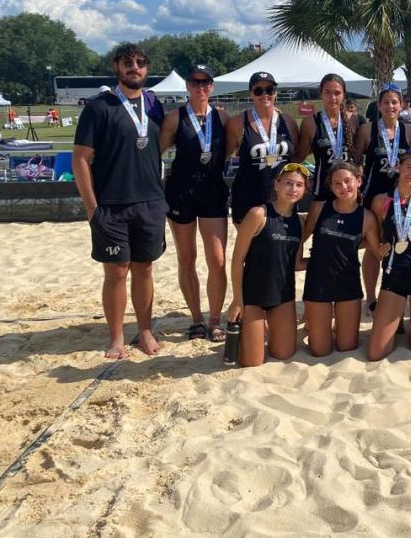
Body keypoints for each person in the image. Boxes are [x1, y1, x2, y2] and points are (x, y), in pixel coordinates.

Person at [72, 43, 167, 359]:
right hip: (111, 204)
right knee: (116, 272)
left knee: (144, 269)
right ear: (117, 66)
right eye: (128, 62)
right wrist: (91, 207)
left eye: (140, 63)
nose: (134, 67)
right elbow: (81, 159)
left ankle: (144, 331)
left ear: (147, 69)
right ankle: (115, 338)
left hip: (150, 201)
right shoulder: (99, 107)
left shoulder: (155, 106)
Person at [158, 63, 230, 341]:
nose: (200, 87)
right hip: (181, 193)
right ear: (187, 85)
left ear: (212, 86)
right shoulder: (175, 118)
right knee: (187, 258)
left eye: (205, 82)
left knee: (217, 259)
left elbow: (234, 148)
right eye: (195, 82)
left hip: (213, 192)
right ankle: (197, 319)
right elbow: (154, 153)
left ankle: (215, 319)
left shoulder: (223, 118)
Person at [226, 164, 308, 368]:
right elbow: (237, 260)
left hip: (282, 296)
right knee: (252, 362)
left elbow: (297, 264)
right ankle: (253, 330)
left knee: (284, 353)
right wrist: (237, 300)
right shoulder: (258, 214)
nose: (293, 189)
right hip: (253, 296)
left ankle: (265, 330)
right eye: (288, 183)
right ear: (276, 184)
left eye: (299, 185)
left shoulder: (300, 222)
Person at [301, 161, 382, 356]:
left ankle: (329, 323)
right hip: (318, 283)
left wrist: (388, 248)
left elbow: (376, 251)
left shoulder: (368, 218)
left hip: (348, 283)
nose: (343, 187)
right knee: (320, 350)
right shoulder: (319, 208)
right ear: (330, 187)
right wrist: (298, 262)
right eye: (337, 183)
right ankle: (315, 322)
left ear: (359, 181)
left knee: (347, 347)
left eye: (348, 181)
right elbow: (300, 238)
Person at [368, 150, 411, 361]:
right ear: (399, 167)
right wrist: (376, 249)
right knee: (376, 353)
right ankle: (394, 318)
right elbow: (375, 233)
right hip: (394, 274)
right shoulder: (381, 201)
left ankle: (409, 319)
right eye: (409, 167)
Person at [354, 83, 411, 310]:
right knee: (374, 246)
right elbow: (356, 163)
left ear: (402, 105)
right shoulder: (368, 130)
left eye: (395, 102)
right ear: (379, 105)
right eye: (386, 102)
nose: (390, 106)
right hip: (372, 195)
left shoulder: (409, 131)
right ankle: (370, 297)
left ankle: (397, 292)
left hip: (400, 196)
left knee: (399, 243)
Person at [225, 72, 299, 225]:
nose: (265, 94)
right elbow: (224, 156)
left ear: (275, 92)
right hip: (248, 198)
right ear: (251, 94)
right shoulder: (238, 123)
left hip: (283, 199)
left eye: (270, 90)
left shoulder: (288, 122)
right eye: (259, 90)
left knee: (283, 247)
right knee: (251, 248)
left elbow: (297, 156)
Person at [295, 73, 357, 203]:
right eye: (328, 92)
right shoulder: (311, 123)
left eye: (337, 93)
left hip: (349, 190)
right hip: (323, 190)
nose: (332, 97)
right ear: (321, 93)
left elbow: (360, 158)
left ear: (344, 94)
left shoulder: (354, 119)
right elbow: (299, 157)